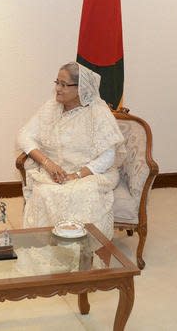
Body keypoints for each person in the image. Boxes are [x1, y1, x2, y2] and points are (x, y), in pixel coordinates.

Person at [17, 62, 125, 239]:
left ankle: (81, 249)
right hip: (54, 172)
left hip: (90, 174)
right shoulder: (51, 107)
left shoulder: (97, 112)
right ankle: (49, 247)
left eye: (64, 85)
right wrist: (47, 163)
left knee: (79, 193)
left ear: (80, 88)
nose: (58, 89)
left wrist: (77, 175)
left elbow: (108, 156)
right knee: (45, 192)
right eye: (57, 82)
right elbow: (23, 136)